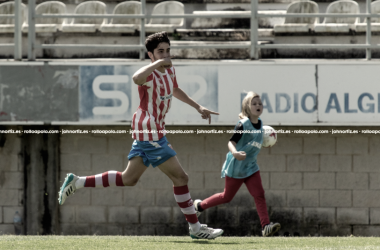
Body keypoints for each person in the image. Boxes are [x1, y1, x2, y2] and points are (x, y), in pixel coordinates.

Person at [58, 31, 224, 240]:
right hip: (149, 131)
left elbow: (175, 89)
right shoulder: (150, 72)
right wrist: (158, 63)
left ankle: (78, 182)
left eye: (167, 51)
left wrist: (198, 106)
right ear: (151, 55)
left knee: (129, 178)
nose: (165, 55)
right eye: (160, 52)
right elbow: (136, 78)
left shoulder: (169, 70)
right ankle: (196, 228)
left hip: (152, 130)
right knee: (181, 177)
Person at [193, 91, 281, 237]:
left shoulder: (261, 125)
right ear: (247, 107)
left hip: (251, 167)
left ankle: (265, 226)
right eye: (254, 103)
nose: (258, 105)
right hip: (237, 168)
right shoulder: (244, 124)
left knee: (259, 194)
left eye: (260, 103)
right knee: (226, 197)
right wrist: (235, 153)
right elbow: (231, 142)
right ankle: (199, 206)